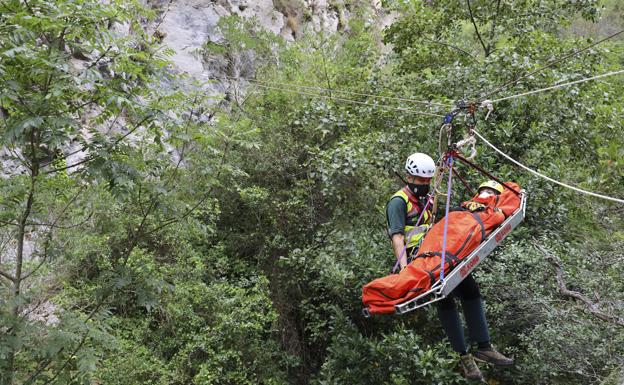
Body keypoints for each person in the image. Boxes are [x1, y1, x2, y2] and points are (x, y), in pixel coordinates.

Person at [385, 155, 514, 381]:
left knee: (470, 290)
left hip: (439, 251)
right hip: (420, 260)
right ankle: (465, 358)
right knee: (444, 298)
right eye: (420, 181)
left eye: (427, 180)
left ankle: (483, 346)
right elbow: (397, 238)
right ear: (409, 177)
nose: (424, 185)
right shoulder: (398, 202)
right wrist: (405, 269)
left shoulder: (429, 197)